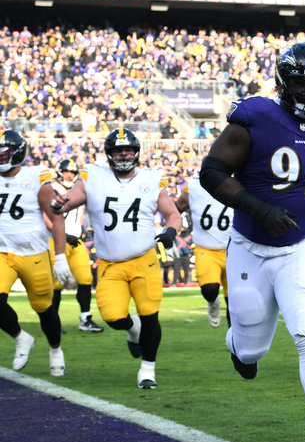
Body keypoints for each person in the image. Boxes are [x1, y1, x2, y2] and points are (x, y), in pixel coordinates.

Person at [198, 42, 305, 442]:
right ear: (282, 82)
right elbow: (211, 171)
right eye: (300, 83)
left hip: (304, 243)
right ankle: (238, 346)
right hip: (251, 246)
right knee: (252, 351)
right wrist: (260, 208)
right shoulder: (255, 116)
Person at [53, 128, 182, 389]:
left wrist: (170, 231)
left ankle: (148, 370)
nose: (123, 154)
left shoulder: (152, 178)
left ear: (136, 152)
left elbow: (173, 214)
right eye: (117, 150)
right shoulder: (93, 175)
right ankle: (131, 329)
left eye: (128, 150)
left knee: (150, 315)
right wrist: (60, 204)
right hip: (110, 263)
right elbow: (71, 199)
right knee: (112, 316)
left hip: (144, 259)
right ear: (109, 154)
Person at [0, 130, 71, 376]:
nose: (0, 157)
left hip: (34, 254)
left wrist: (60, 255)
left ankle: (55, 349)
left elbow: (56, 215)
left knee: (44, 308)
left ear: (17, 152)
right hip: (2, 253)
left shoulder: (35, 176)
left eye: (4, 152)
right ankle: (21, 338)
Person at [49, 158, 104, 333]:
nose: (69, 175)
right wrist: (63, 235)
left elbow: (80, 214)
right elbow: (46, 216)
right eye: (67, 172)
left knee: (86, 278)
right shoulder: (51, 188)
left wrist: (79, 231)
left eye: (72, 172)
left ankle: (85, 319)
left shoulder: (78, 190)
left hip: (75, 241)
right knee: (57, 283)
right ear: (59, 171)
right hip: (56, 240)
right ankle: (53, 322)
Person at [175, 174, 232, 327]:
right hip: (206, 248)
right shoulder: (194, 185)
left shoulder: (241, 182)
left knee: (234, 305)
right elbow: (176, 208)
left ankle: (236, 347)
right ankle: (212, 302)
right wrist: (171, 230)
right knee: (210, 289)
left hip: (235, 250)